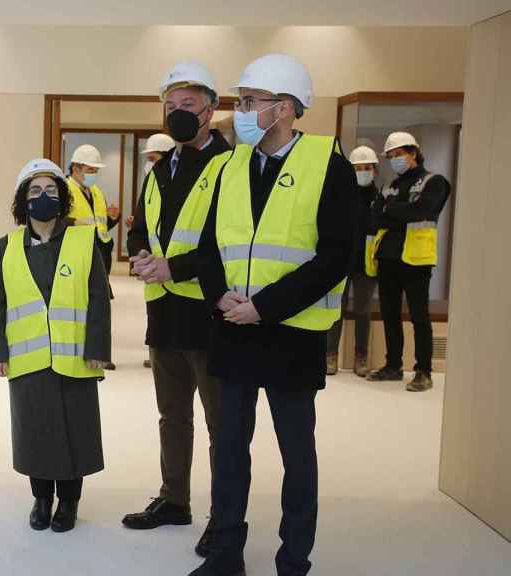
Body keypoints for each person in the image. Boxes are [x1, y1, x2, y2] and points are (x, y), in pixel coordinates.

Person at [193, 54, 357, 576]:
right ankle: (224, 556)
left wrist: (264, 307)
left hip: (290, 333)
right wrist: (220, 297)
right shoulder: (231, 165)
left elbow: (336, 256)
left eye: (248, 102)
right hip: (233, 330)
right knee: (229, 453)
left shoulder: (327, 163)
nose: (238, 112)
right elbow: (207, 245)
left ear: (283, 108)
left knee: (295, 454)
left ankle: (293, 559)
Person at [123, 62, 232, 557]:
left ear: (211, 109)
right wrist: (143, 255)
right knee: (172, 416)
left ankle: (224, 516)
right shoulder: (160, 166)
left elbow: (230, 243)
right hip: (164, 313)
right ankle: (174, 500)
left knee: (221, 422)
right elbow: (141, 227)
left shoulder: (231, 167)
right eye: (170, 106)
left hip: (211, 315)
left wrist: (175, 268)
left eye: (188, 105)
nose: (178, 113)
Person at [0, 159, 110, 533]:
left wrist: (97, 346)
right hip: (28, 357)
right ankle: (41, 499)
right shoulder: (6, 246)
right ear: (23, 200)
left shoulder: (83, 240)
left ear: (63, 198)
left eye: (51, 191)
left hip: (75, 356)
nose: (43, 197)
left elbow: (98, 297)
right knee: (35, 431)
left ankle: (69, 502)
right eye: (35, 191)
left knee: (75, 429)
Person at [366, 132, 450, 391]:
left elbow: (423, 211)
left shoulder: (435, 182)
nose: (394, 160)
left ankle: (423, 371)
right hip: (388, 257)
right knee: (390, 315)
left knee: (419, 317)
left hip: (416, 259)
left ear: (413, 152)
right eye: (390, 157)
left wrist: (391, 209)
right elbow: (375, 218)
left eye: (398, 154)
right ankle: (393, 366)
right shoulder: (389, 185)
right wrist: (400, 211)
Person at [326, 145, 380, 376]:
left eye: (367, 168)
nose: (363, 172)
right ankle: (330, 356)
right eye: (358, 168)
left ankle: (361, 357)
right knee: (335, 309)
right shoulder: (343, 195)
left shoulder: (381, 197)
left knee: (363, 310)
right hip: (343, 261)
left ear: (374, 170)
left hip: (367, 262)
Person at [67, 144, 121, 369]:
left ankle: (100, 353)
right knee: (80, 306)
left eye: (95, 171)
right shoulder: (64, 190)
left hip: (100, 254)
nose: (93, 175)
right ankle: (79, 352)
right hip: (78, 256)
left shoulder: (96, 192)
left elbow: (100, 225)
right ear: (76, 167)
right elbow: (61, 223)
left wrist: (113, 218)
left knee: (100, 306)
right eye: (90, 170)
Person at [138, 132, 175, 369]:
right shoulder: (151, 183)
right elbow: (142, 226)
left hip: (185, 280)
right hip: (153, 275)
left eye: (153, 158)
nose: (149, 164)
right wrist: (139, 250)